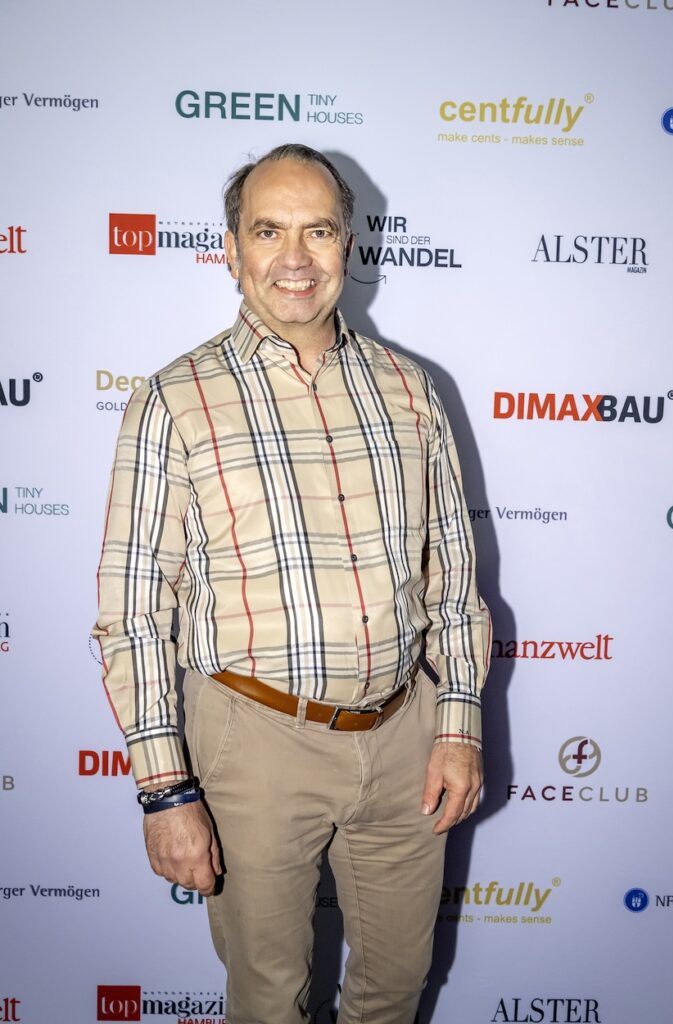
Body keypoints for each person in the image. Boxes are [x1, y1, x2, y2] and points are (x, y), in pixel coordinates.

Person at [94, 143, 491, 1024]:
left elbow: (454, 579)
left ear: (348, 243)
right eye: (268, 231)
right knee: (268, 1002)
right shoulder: (174, 399)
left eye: (317, 230)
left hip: (405, 737)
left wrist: (457, 723)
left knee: (394, 990)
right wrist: (165, 790)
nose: (295, 258)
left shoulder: (410, 388)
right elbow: (131, 611)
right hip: (253, 743)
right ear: (230, 250)